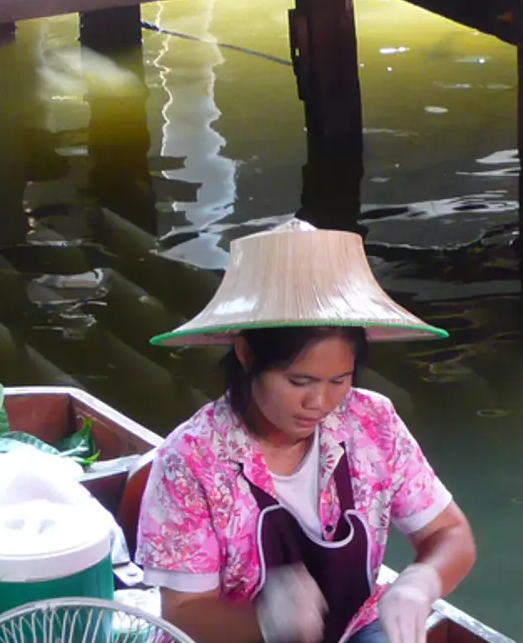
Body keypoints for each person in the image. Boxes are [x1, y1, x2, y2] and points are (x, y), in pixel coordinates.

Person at [134, 219, 477, 643]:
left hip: (353, 629)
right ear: (245, 353)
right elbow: (183, 613)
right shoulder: (189, 460)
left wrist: (420, 582)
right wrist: (267, 621)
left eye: (339, 379)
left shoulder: (371, 422)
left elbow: (451, 533)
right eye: (299, 382)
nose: (321, 403)